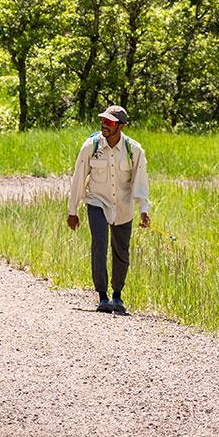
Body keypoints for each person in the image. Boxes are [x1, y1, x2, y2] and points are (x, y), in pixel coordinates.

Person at [65, 105, 151, 315]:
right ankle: (102, 295)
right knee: (100, 245)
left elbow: (141, 182)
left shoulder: (134, 150)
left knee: (121, 251)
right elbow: (79, 178)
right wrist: (72, 210)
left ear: (120, 126)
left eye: (110, 122)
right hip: (96, 202)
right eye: (103, 121)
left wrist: (144, 210)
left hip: (123, 206)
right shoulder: (90, 146)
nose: (104, 125)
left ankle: (117, 295)